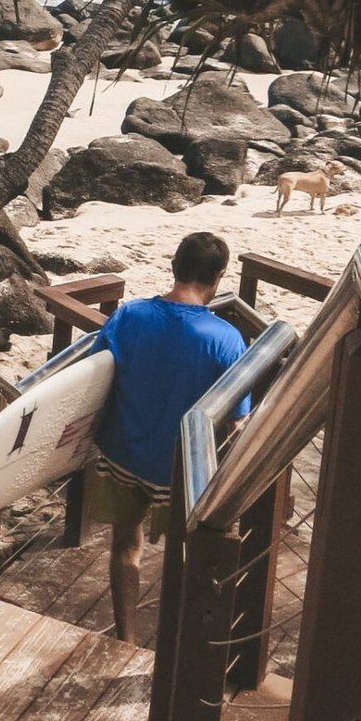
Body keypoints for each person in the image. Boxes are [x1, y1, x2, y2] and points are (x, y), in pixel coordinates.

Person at [88, 232, 249, 643]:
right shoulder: (226, 339)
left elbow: (92, 379)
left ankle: (125, 635)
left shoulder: (130, 315)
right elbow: (236, 422)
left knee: (125, 544)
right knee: (184, 556)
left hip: (121, 454)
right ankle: (172, 651)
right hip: (177, 469)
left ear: (175, 267)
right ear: (217, 278)